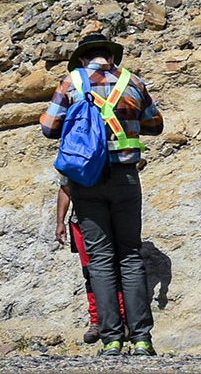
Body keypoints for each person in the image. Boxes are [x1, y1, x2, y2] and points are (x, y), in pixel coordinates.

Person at [41, 33, 163, 357]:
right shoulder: (132, 80)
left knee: (100, 259)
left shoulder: (72, 83)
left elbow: (49, 127)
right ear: (111, 56)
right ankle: (141, 339)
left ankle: (110, 340)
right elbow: (155, 124)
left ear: (83, 59)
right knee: (131, 256)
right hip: (125, 178)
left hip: (87, 181)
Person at [55, 180, 126, 345]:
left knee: (113, 269)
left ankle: (120, 320)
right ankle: (96, 321)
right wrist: (60, 221)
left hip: (107, 218)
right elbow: (65, 189)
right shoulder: (72, 156)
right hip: (79, 222)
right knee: (90, 273)